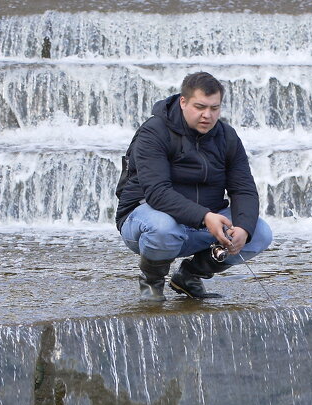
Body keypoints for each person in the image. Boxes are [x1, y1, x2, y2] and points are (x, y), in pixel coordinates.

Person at [116, 71, 273, 300]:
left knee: (259, 233)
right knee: (163, 227)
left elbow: (243, 189)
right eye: (199, 107)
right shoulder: (154, 131)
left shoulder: (227, 137)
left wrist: (243, 228)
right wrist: (205, 217)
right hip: (146, 221)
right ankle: (152, 281)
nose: (207, 115)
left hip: (203, 224)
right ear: (183, 101)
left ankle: (189, 276)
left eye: (214, 108)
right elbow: (157, 192)